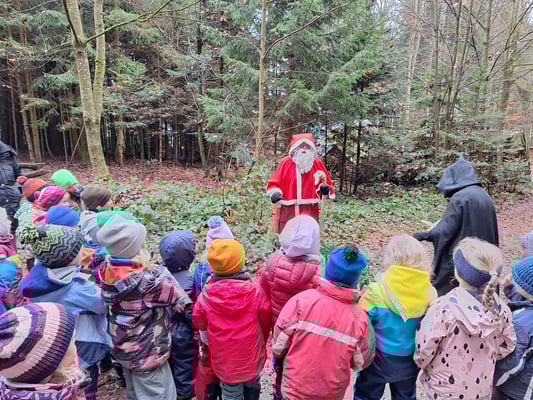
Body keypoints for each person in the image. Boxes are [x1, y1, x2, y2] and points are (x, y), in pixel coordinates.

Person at [90, 214, 192, 400]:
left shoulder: (104, 270)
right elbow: (178, 297)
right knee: (159, 394)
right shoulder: (146, 283)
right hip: (147, 353)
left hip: (122, 347)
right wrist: (161, 271)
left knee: (135, 392)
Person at [414, 238, 515, 400]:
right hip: (480, 391)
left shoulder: (442, 309)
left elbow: (423, 354)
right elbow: (508, 345)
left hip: (441, 392)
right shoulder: (501, 309)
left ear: (458, 272)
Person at [18, 224, 109, 400]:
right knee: (85, 379)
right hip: (82, 339)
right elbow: (102, 304)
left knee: (65, 376)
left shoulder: (37, 277)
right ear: (68, 257)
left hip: (52, 341)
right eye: (79, 249)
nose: (83, 251)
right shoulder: (76, 289)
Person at [272, 246, 375, 400]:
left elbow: (279, 346)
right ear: (356, 280)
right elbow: (362, 361)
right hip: (331, 393)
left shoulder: (302, 301)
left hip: (295, 389)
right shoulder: (360, 319)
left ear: (327, 270)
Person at [354, 234, 437, 400]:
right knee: (405, 396)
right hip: (410, 362)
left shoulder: (376, 291)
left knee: (366, 395)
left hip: (377, 361)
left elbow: (359, 324)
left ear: (390, 258)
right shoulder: (430, 293)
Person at [193, 239, 271, 400]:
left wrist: (207, 344)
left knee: (230, 390)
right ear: (240, 263)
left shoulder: (206, 295)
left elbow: (199, 322)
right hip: (251, 352)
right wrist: (261, 340)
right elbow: (265, 319)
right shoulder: (254, 291)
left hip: (224, 358)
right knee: (252, 382)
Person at [414, 154, 499, 295]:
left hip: (466, 260)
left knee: (453, 289)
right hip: (484, 258)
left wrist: (423, 235)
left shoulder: (460, 197)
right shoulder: (484, 196)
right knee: (482, 293)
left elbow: (445, 230)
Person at [259, 214, 321, 400]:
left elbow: (263, 299)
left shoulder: (271, 264)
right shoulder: (317, 273)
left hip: (278, 328)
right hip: (304, 333)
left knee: (280, 364)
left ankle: (278, 392)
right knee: (299, 367)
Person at [0, 303, 86, 400]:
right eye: (73, 341)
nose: (76, 346)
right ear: (56, 361)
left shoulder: (7, 386)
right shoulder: (67, 395)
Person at [192, 216, 232, 400]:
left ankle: (207, 395)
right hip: (230, 331)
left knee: (207, 363)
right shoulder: (236, 273)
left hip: (208, 330)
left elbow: (196, 302)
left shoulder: (201, 271)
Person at [266, 133, 334, 233]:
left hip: (310, 209)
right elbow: (275, 181)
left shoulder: (317, 163)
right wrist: (275, 193)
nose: (304, 149)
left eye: (307, 146)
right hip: (289, 209)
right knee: (287, 234)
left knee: (308, 234)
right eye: (301, 146)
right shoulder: (285, 163)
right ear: (295, 148)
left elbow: (324, 182)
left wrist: (324, 189)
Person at [160, 230, 198, 400]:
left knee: (168, 361)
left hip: (162, 327)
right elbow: (190, 312)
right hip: (183, 330)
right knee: (185, 362)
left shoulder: (159, 275)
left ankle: (171, 390)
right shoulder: (191, 279)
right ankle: (184, 392)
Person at [493, 256, 533, 400]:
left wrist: (492, 381)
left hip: (517, 391)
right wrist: (510, 289)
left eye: (515, 279)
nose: (510, 277)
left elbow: (512, 364)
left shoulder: (522, 324)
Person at [79, 185, 113, 266]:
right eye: (108, 201)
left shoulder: (86, 214)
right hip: (97, 256)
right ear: (98, 205)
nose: (111, 202)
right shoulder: (96, 224)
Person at [0, 141, 22, 233]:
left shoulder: (9, 155)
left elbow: (19, 177)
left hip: (14, 206)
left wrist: (18, 191)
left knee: (16, 236)